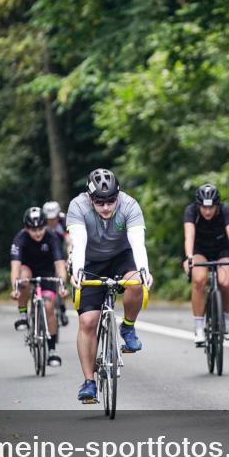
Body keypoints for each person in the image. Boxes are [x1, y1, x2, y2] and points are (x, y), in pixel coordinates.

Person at [67, 168, 153, 403]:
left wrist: (144, 269)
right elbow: (79, 243)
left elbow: (137, 243)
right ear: (89, 197)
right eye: (99, 202)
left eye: (111, 201)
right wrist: (77, 272)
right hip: (90, 260)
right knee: (87, 321)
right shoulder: (78, 206)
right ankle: (89, 382)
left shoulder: (130, 206)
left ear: (119, 195)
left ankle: (128, 326)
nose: (106, 207)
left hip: (120, 256)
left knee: (136, 283)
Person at [182, 183, 229, 345]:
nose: (207, 211)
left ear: (217, 205)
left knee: (225, 282)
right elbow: (189, 237)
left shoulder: (225, 210)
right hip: (199, 250)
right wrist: (189, 257)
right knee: (199, 279)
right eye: (204, 207)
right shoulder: (191, 211)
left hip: (221, 249)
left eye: (211, 208)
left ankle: (226, 319)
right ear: (198, 206)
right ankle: (199, 327)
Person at [10, 206, 68, 366]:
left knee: (49, 307)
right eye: (32, 229)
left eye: (40, 228)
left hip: (47, 271)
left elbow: (59, 265)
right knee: (23, 278)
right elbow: (15, 266)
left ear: (45, 226)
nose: (37, 233)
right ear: (26, 228)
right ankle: (23, 315)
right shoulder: (20, 239)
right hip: (28, 269)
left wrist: (62, 284)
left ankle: (52, 350)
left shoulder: (52, 236)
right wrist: (15, 288)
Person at [42, 200, 71, 327]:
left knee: (60, 280)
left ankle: (62, 308)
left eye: (54, 218)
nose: (51, 221)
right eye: (49, 219)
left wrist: (70, 258)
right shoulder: (40, 222)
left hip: (61, 251)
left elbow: (70, 242)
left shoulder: (64, 222)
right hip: (45, 252)